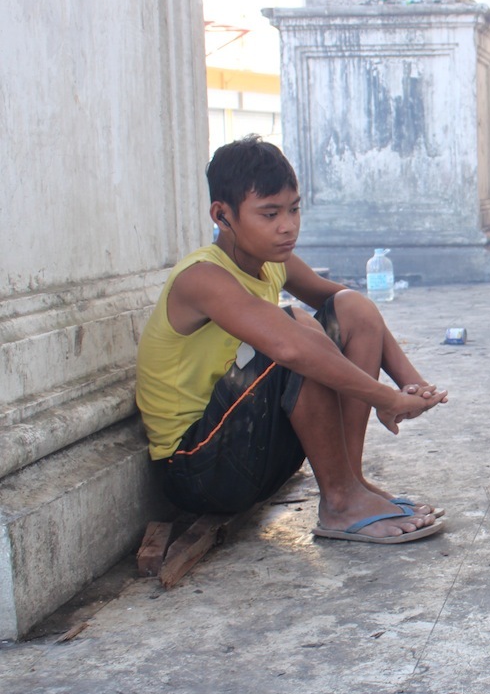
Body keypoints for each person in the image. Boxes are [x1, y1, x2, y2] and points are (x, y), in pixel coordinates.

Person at [136, 136, 448, 544]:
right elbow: (290, 348)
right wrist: (383, 398)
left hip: (255, 453)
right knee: (292, 332)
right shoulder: (202, 277)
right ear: (222, 215)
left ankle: (348, 483)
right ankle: (340, 501)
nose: (288, 226)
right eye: (269, 214)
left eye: (294, 209)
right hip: (198, 468)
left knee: (349, 306)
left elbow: (355, 313)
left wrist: (408, 382)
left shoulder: (272, 262)